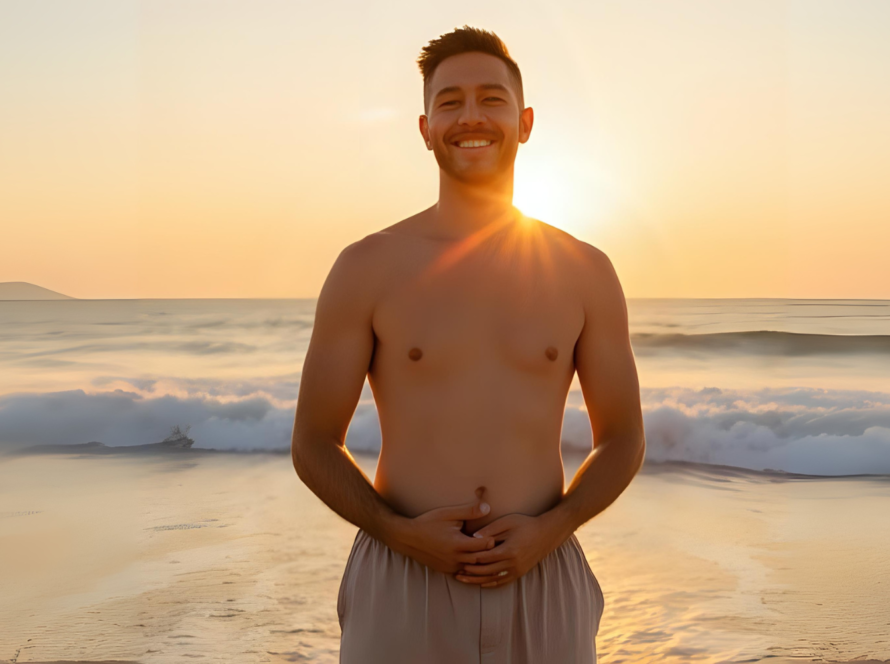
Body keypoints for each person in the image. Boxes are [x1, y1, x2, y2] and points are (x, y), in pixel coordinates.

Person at [291, 25, 646, 664]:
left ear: (525, 121)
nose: (471, 116)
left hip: (543, 574)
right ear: (425, 127)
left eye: (491, 98)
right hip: (403, 577)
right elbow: (314, 444)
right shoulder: (367, 267)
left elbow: (622, 439)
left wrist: (551, 529)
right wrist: (401, 535)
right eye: (449, 101)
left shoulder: (585, 271)